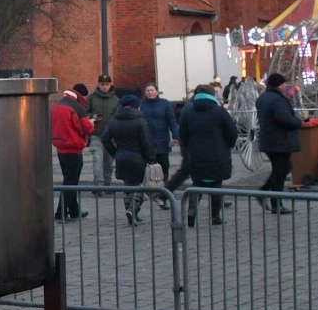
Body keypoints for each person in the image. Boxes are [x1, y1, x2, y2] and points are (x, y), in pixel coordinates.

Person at [164, 83, 238, 226]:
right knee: (216, 185)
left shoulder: (188, 112)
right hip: (218, 154)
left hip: (196, 154)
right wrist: (228, 145)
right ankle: (215, 216)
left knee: (197, 183)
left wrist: (189, 145)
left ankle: (192, 210)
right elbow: (232, 132)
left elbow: (182, 134)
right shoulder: (220, 111)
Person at [102, 94, 156, 226]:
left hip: (121, 157)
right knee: (139, 186)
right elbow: (146, 142)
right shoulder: (140, 120)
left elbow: (105, 138)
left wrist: (115, 153)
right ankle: (133, 209)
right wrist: (151, 159)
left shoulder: (114, 120)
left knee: (128, 186)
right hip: (138, 158)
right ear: (136, 106)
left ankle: (130, 211)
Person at [256, 72, 303, 213]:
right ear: (278, 85)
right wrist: (298, 122)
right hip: (279, 140)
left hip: (271, 139)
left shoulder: (264, 98)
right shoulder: (276, 100)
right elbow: (283, 118)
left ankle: (264, 192)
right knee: (280, 170)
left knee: (284, 168)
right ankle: (276, 203)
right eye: (284, 83)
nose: (286, 85)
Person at [51, 88, 95, 221]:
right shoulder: (77, 107)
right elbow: (87, 127)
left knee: (69, 180)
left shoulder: (57, 105)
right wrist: (92, 123)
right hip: (73, 148)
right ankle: (60, 213)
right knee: (71, 182)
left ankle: (74, 211)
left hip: (60, 146)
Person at [139, 84, 180, 203]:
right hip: (146, 140)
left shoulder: (165, 104)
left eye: (152, 90)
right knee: (147, 166)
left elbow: (172, 120)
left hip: (162, 139)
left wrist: (176, 136)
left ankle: (163, 189)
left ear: (157, 92)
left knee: (164, 165)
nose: (150, 92)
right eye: (147, 90)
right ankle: (148, 189)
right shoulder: (141, 105)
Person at [87, 75, 120, 187]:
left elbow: (118, 116)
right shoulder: (92, 98)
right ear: (98, 84)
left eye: (107, 84)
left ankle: (107, 183)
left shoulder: (116, 100)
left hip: (111, 137)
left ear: (110, 85)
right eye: (102, 84)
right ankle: (98, 184)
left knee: (109, 162)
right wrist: (92, 116)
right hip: (96, 134)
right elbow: (85, 112)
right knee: (97, 160)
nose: (104, 87)